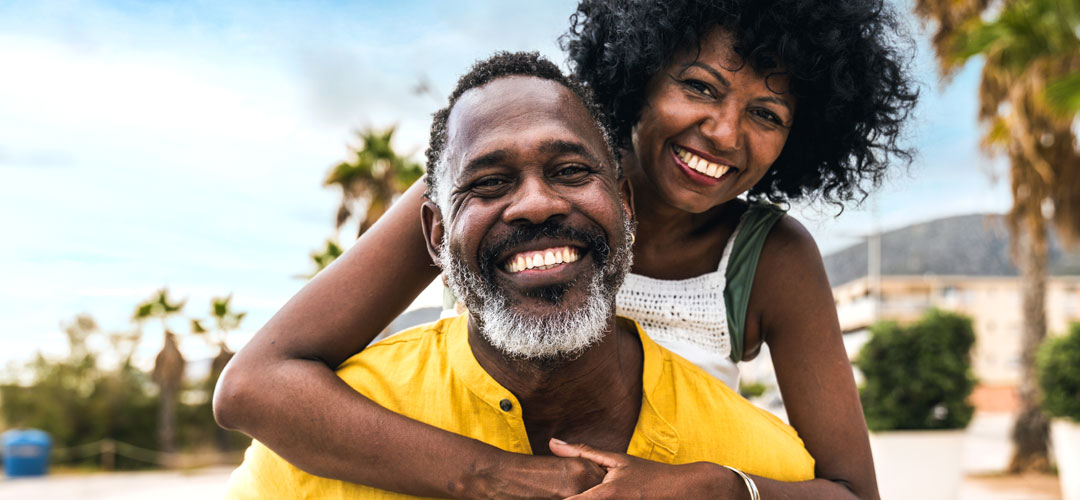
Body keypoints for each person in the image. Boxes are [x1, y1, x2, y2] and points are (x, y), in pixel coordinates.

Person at [215, 1, 917, 498]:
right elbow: (257, 386)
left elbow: (850, 490)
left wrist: (710, 487)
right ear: (640, 71)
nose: (725, 133)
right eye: (699, 87)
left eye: (766, 115)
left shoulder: (771, 257)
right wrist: (492, 476)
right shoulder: (499, 190)